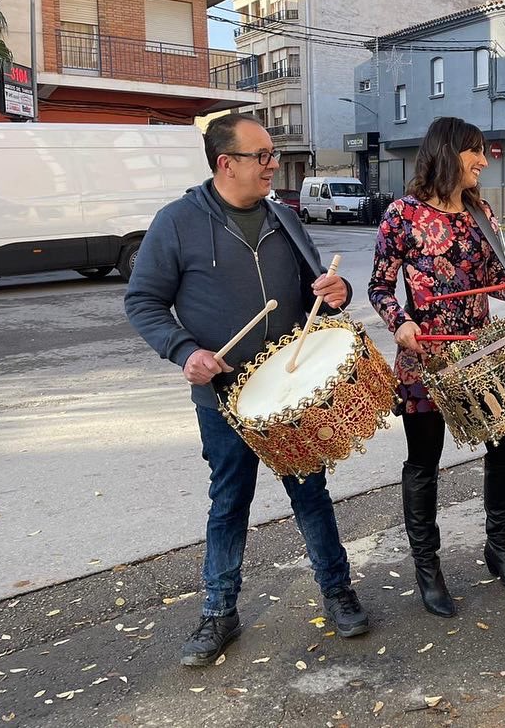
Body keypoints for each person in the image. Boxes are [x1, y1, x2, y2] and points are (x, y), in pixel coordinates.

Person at [124, 113, 369, 667]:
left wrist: (338, 290)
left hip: (290, 393)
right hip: (226, 398)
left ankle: (337, 592)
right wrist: (185, 351)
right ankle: (218, 614)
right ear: (224, 163)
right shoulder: (177, 222)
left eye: (272, 154)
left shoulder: (283, 218)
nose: (272, 164)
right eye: (261, 156)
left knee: (311, 495)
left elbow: (320, 292)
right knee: (229, 501)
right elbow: (142, 301)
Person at [369, 116, 505, 618]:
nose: (484, 162)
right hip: (424, 360)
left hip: (479, 356)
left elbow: (493, 280)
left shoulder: (478, 211)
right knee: (424, 464)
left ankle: (500, 549)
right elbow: (379, 287)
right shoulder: (401, 214)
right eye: (475, 152)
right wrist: (399, 322)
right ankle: (428, 570)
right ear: (449, 153)